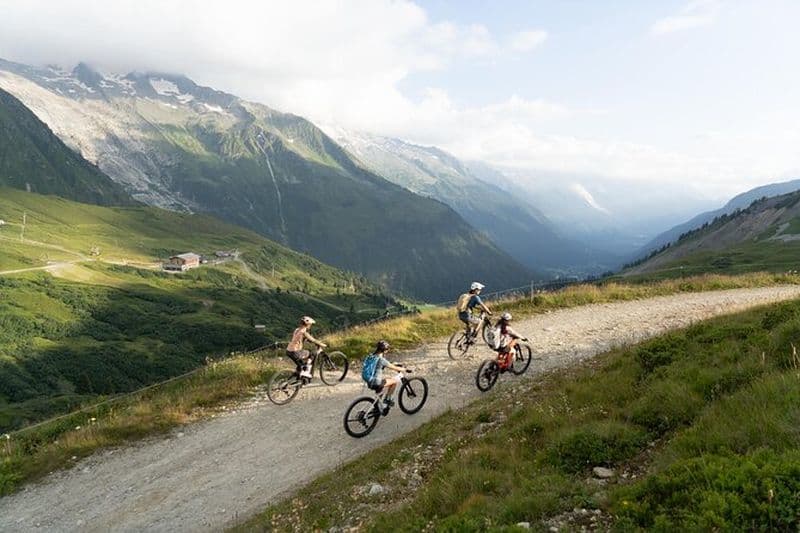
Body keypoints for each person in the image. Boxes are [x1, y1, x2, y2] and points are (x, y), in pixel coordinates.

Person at [362, 340, 408, 411]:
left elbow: (383, 365)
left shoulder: (371, 356)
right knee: (394, 381)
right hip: (375, 382)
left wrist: (392, 364)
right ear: (385, 350)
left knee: (384, 383)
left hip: (368, 380)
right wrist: (404, 369)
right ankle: (387, 400)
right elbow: (394, 367)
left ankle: (378, 405)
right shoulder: (381, 360)